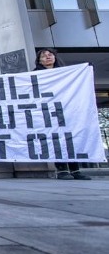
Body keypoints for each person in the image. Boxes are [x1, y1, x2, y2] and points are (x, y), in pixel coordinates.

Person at [33, 47, 91, 180]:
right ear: (39, 60)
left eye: (50, 54)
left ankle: (75, 170)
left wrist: (86, 71)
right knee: (56, 140)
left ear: (55, 57)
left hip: (67, 111)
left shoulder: (67, 74)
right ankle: (61, 169)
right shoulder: (35, 75)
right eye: (44, 55)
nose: (47, 57)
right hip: (49, 112)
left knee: (70, 139)